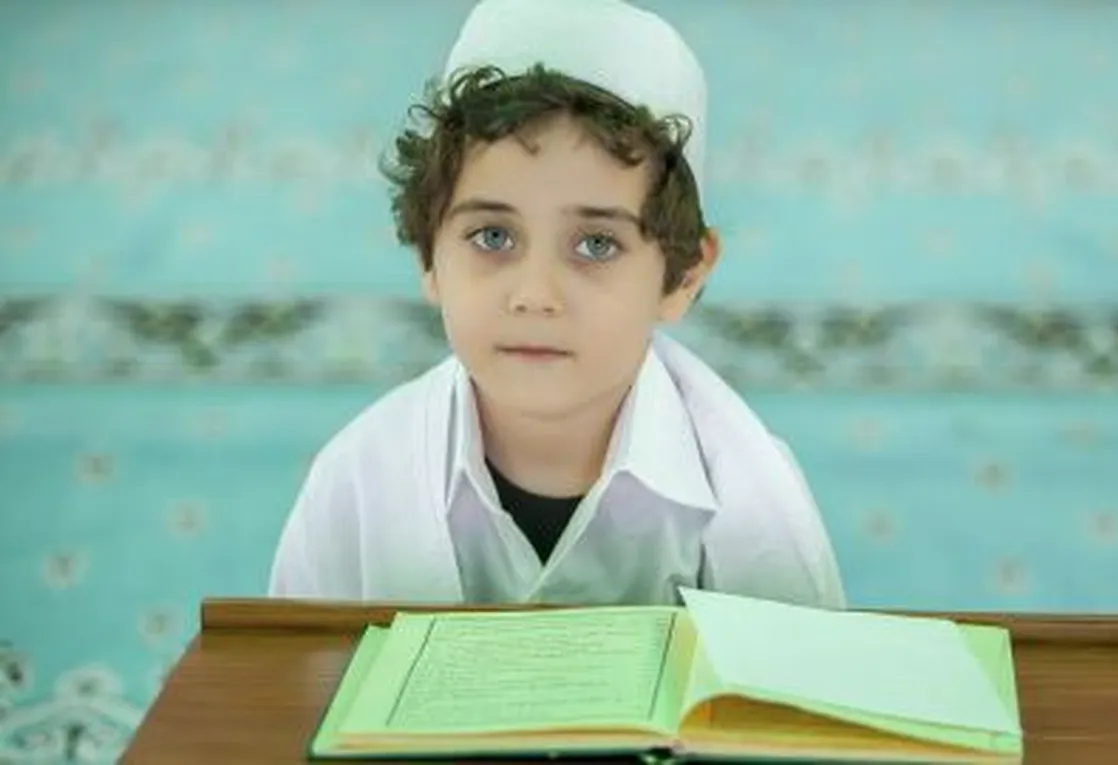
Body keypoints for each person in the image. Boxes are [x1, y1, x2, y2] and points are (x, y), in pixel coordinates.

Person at [268, 0, 845, 608]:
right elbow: (293, 664)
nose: (536, 297)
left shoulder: (757, 505)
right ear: (428, 255)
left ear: (683, 276)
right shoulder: (355, 484)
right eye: (493, 237)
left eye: (596, 244)